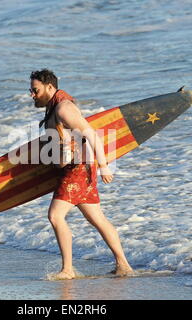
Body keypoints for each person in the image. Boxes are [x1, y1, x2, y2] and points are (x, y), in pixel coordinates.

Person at [29, 69, 133, 280]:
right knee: (97, 218)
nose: (32, 94)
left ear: (50, 87)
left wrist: (104, 165)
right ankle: (123, 265)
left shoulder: (64, 108)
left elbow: (91, 134)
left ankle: (68, 269)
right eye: (31, 90)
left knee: (55, 216)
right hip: (77, 168)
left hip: (77, 169)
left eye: (35, 90)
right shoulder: (53, 107)